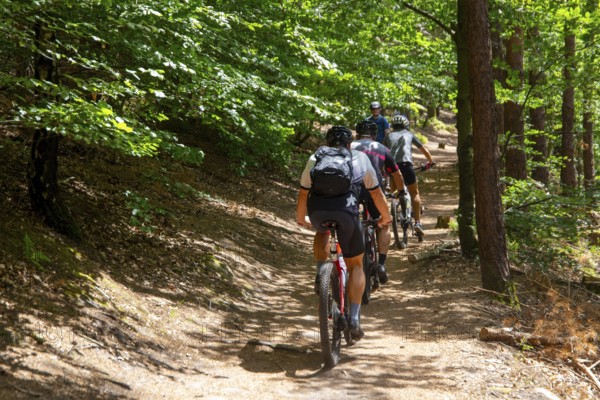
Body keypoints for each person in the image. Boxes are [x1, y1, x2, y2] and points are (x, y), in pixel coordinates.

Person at [296, 126, 392, 340]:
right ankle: (355, 319)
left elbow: (303, 194)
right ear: (350, 143)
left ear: (327, 142)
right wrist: (385, 217)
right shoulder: (359, 157)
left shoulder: (316, 156)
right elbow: (376, 194)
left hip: (319, 212)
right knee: (356, 265)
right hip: (347, 213)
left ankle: (321, 272)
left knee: (322, 231)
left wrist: (301, 218)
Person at [351, 120, 405, 284]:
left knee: (348, 221)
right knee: (384, 223)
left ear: (357, 134)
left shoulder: (349, 146)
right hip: (374, 190)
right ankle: (381, 264)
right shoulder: (382, 149)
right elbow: (397, 175)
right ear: (374, 135)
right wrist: (401, 192)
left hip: (352, 190)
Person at [383, 114, 434, 236]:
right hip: (406, 165)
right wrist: (431, 162)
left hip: (392, 167)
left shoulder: (388, 136)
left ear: (393, 125)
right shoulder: (409, 134)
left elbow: (382, 150)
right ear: (406, 125)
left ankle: (396, 210)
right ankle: (417, 223)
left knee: (396, 192)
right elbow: (424, 150)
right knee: (414, 193)